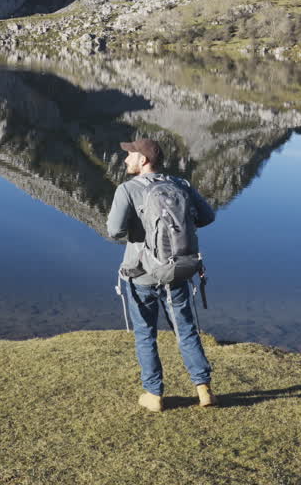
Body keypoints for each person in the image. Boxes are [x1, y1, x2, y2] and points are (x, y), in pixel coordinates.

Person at [106, 137, 217, 412]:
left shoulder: (127, 189)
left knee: (146, 334)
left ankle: (154, 395)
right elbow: (207, 217)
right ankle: (204, 390)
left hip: (141, 274)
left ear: (143, 161)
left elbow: (114, 231)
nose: (125, 159)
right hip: (177, 270)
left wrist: (140, 228)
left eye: (130, 155)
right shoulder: (181, 185)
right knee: (187, 330)